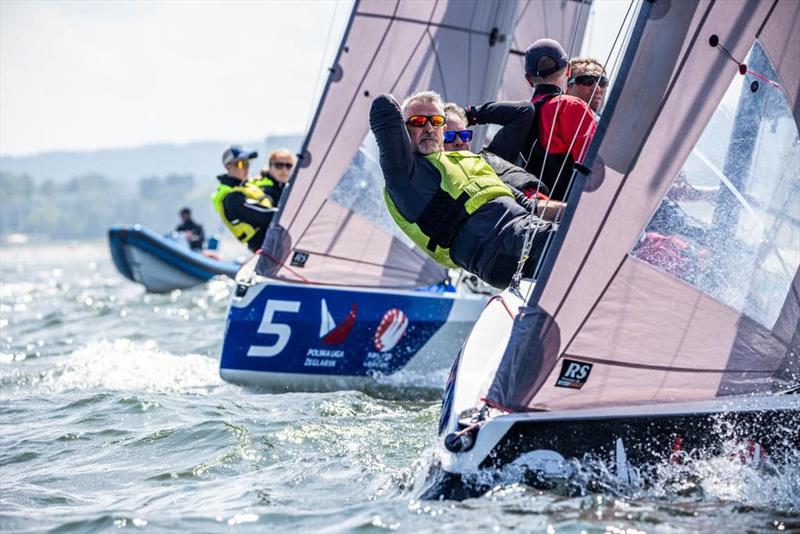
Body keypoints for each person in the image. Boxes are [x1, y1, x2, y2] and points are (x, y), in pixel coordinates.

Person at [370, 90, 563, 289]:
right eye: (418, 121)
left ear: (442, 129)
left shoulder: (471, 160)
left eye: (436, 121)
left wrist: (573, 212)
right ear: (404, 130)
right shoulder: (405, 179)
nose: (429, 128)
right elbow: (383, 107)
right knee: (582, 249)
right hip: (501, 246)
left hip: (526, 228)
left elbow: (529, 206)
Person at [522, 38, 598, 200]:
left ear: (529, 79)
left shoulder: (520, 113)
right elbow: (593, 163)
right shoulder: (571, 106)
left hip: (531, 209)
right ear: (568, 70)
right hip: (564, 213)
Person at [211, 145, 276, 252]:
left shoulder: (248, 187)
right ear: (228, 166)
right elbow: (265, 215)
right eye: (241, 164)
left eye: (247, 163)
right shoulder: (231, 198)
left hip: (274, 241)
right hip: (265, 249)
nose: (245, 168)